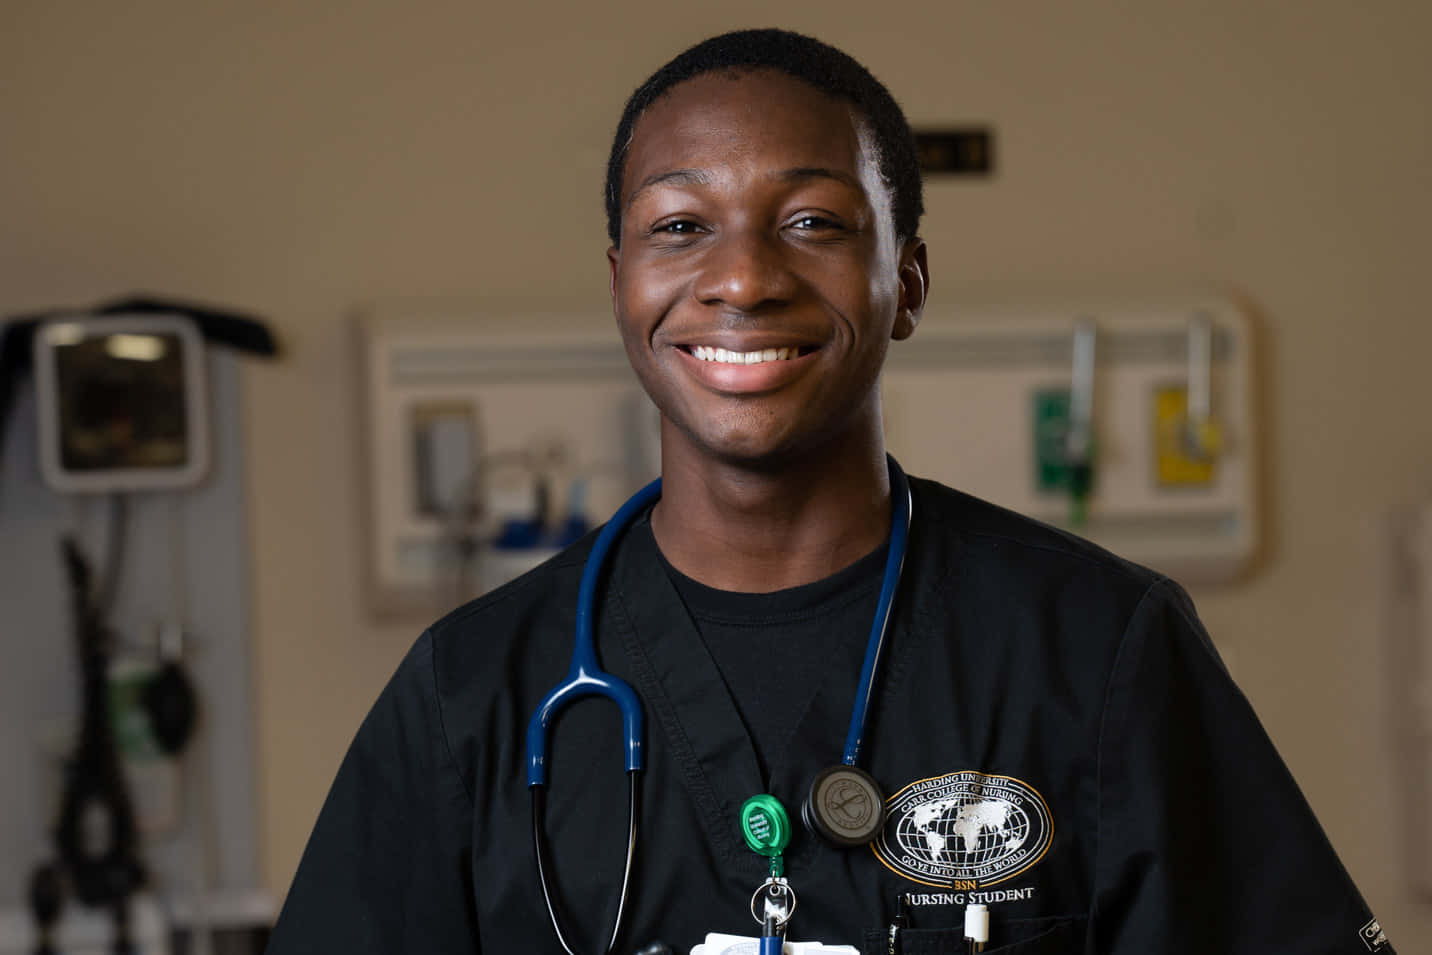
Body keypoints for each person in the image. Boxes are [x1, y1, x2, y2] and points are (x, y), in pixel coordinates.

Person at [266, 29, 1393, 955]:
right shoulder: (473, 695)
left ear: (904, 282)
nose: (745, 277)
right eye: (678, 226)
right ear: (620, 285)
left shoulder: (1098, 651)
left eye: (812, 222)